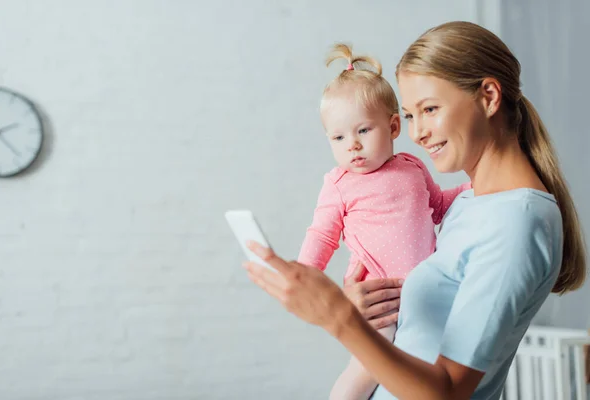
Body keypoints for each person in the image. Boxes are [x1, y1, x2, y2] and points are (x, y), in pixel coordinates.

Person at [243, 21, 587, 400]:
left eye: (430, 109)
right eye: (409, 116)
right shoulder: (471, 203)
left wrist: (338, 319)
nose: (417, 132)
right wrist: (364, 309)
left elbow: (449, 392)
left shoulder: (516, 221)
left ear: (489, 97)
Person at [297, 43, 470, 400]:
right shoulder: (339, 184)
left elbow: (437, 206)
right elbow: (322, 235)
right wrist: (305, 274)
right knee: (365, 370)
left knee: (427, 369)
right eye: (339, 137)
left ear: (393, 127)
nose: (353, 146)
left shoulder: (412, 167)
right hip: (381, 300)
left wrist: (473, 186)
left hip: (427, 296)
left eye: (363, 131)